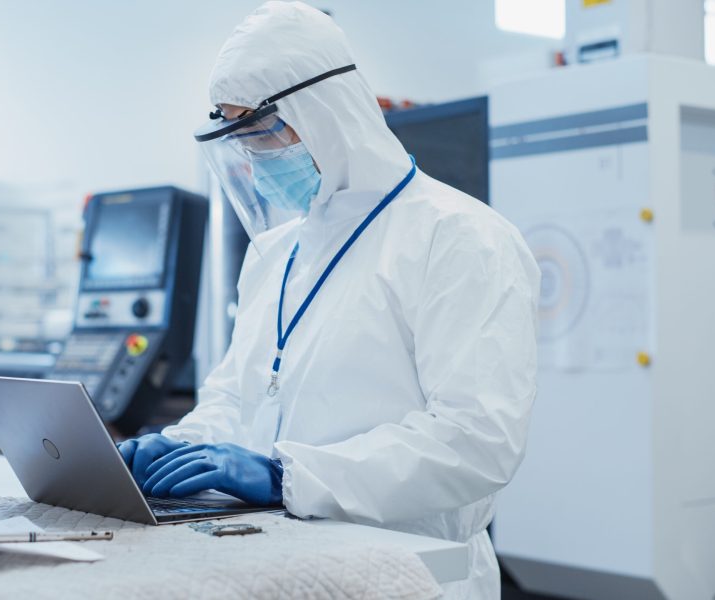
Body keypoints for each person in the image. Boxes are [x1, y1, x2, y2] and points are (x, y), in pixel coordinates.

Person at [118, 2, 540, 596]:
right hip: (283, 561)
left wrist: (288, 474)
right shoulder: (276, 252)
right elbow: (236, 397)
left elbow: (476, 440)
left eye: (260, 132)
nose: (254, 156)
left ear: (325, 114)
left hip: (412, 573)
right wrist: (178, 448)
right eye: (239, 137)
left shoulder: (460, 237)